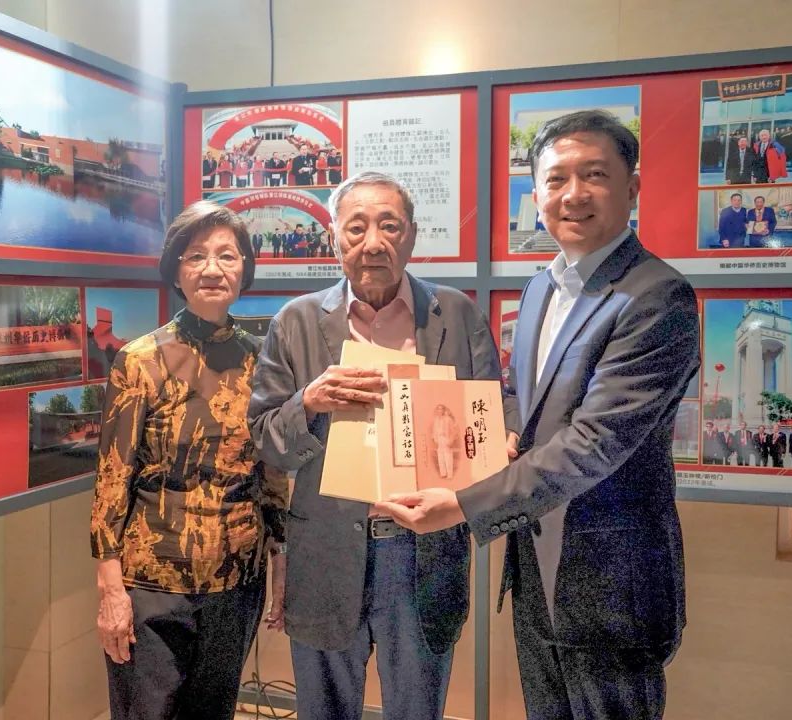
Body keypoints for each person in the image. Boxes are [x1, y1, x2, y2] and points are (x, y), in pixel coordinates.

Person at [377, 110, 699, 719]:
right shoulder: (541, 288)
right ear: (537, 193)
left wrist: (464, 503)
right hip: (535, 575)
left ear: (631, 188)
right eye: (555, 179)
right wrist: (497, 436)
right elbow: (525, 405)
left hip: (612, 588)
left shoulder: (657, 296)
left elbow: (595, 442)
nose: (573, 194)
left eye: (594, 174)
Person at [248, 170, 509, 720]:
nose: (373, 242)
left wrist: (497, 446)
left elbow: (493, 409)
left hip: (423, 553)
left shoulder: (455, 314)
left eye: (389, 226)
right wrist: (307, 403)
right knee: (323, 710)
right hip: (326, 550)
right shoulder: (296, 321)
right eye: (357, 227)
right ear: (334, 238)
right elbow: (266, 439)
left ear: (411, 236)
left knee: (417, 709)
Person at [91, 201, 288, 720]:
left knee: (215, 711)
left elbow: (271, 470)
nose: (211, 269)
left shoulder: (261, 359)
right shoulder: (139, 360)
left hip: (237, 579)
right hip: (151, 583)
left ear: (244, 268)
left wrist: (280, 558)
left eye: (227, 255)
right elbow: (112, 477)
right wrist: (110, 587)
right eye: (196, 256)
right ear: (176, 270)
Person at [431, 404, 459, 479]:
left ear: (443, 410)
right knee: (440, 456)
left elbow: (453, 431)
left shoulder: (448, 419)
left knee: (448, 456)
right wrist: (435, 439)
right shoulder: (436, 420)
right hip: (439, 439)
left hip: (446, 438)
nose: (439, 411)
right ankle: (443, 473)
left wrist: (451, 440)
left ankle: (450, 474)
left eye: (441, 409)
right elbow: (434, 430)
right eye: (438, 409)